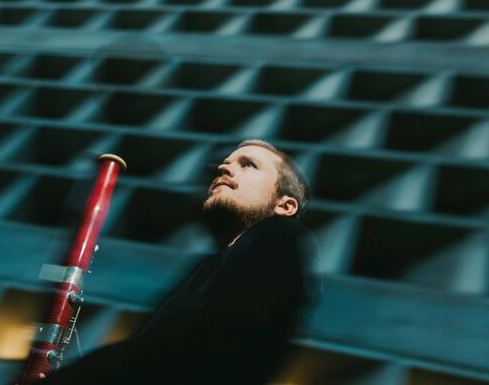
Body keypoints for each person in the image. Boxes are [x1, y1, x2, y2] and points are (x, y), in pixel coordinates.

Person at [35, 139, 320, 384]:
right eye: (226, 162)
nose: (223, 168)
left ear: (285, 206)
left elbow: (181, 348)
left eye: (248, 165)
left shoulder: (279, 236)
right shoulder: (211, 264)